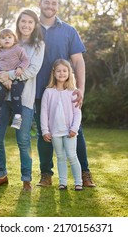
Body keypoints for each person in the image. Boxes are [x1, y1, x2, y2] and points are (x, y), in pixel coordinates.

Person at [35, 0, 96, 187]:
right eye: (47, 2)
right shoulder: (30, 28)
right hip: (37, 92)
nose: (50, 6)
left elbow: (78, 62)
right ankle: (46, 175)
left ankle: (85, 173)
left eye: (54, 3)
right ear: (40, 3)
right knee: (43, 133)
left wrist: (81, 90)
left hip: (67, 93)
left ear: (57, 6)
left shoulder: (69, 31)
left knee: (76, 131)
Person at [0, 9, 44, 191]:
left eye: (30, 22)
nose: (26, 25)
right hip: (3, 98)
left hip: (25, 98)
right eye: (23, 21)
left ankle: (26, 179)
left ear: (35, 25)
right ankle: (1, 174)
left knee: (23, 140)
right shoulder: (7, 40)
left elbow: (31, 70)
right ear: (18, 23)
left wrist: (7, 75)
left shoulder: (38, 45)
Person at [40, 59, 83, 191]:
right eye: (58, 71)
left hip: (70, 131)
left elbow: (77, 113)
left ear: (69, 73)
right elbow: (44, 112)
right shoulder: (48, 92)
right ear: (54, 73)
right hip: (55, 132)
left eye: (64, 71)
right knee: (60, 157)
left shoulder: (73, 92)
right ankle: (62, 182)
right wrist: (45, 130)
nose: (61, 73)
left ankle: (78, 182)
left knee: (72, 155)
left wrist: (74, 128)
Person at [0, 28, 30, 129]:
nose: (7, 39)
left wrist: (21, 67)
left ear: (14, 39)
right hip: (2, 78)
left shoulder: (18, 49)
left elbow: (26, 60)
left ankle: (18, 117)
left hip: (16, 78)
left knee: (16, 95)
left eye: (9, 37)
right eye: (3, 38)